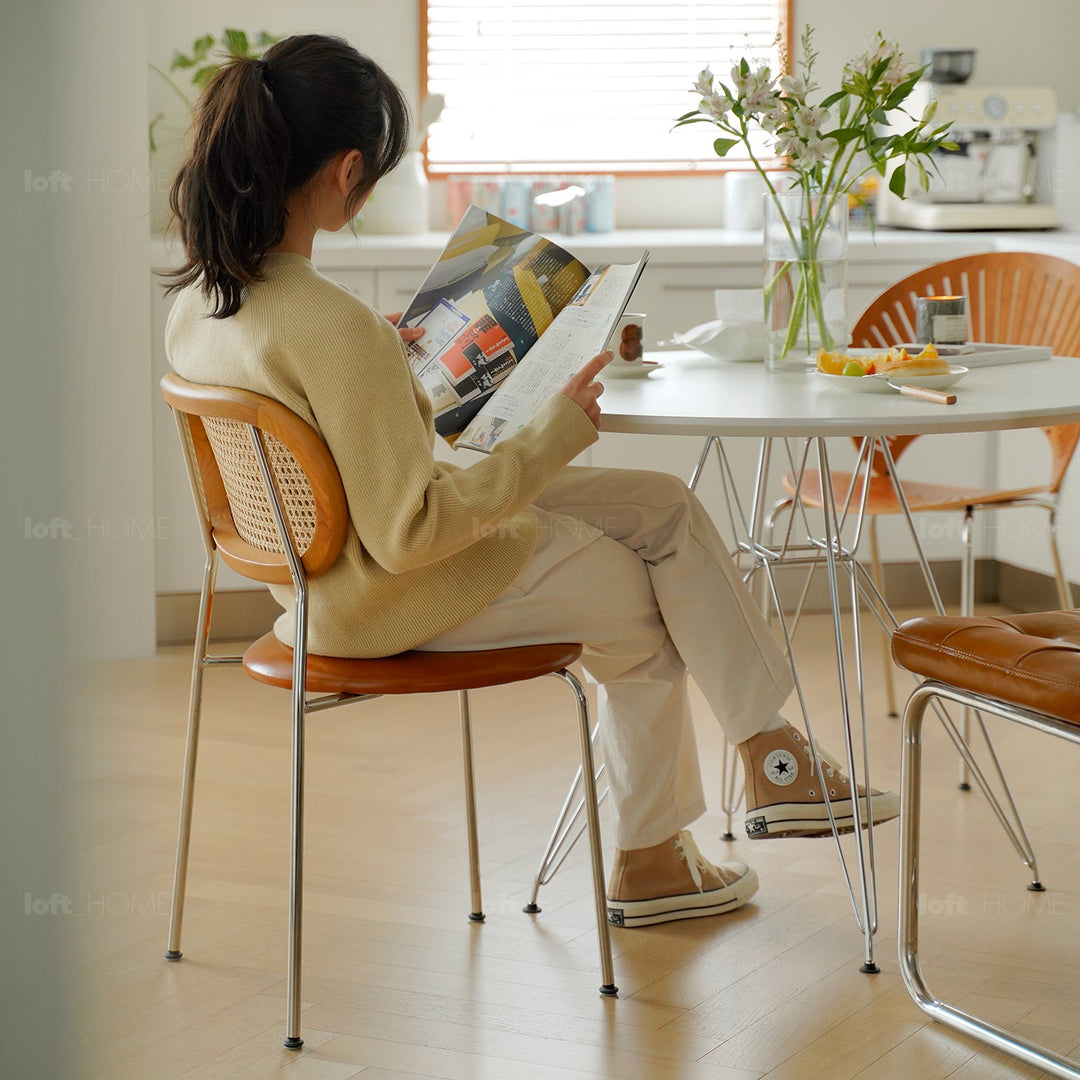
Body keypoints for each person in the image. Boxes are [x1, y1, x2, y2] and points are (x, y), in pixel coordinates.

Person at [164, 34, 899, 930]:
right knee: (655, 606)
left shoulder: (201, 304)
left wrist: (400, 373)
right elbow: (411, 532)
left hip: (321, 584)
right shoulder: (331, 325)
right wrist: (553, 434)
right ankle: (652, 858)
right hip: (393, 591)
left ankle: (771, 751)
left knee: (662, 505)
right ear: (348, 169)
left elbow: (340, 449)